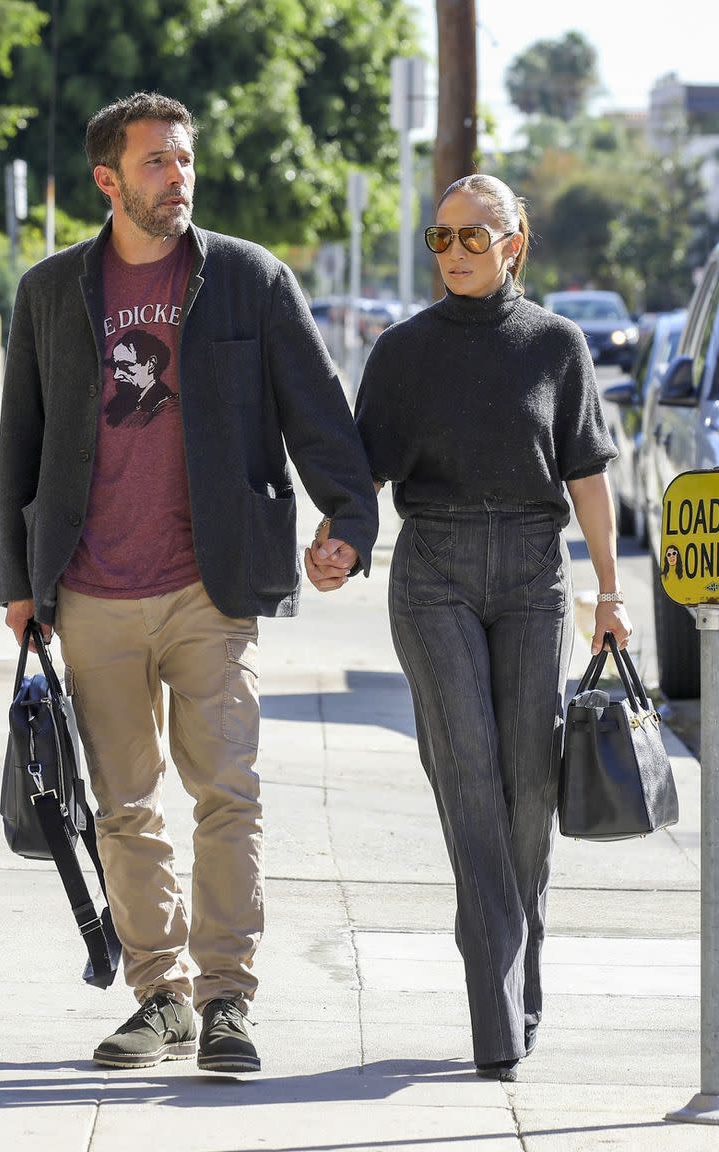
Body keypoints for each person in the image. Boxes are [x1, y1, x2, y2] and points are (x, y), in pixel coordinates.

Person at [0, 92, 377, 1073]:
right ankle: (157, 993)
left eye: (183, 160)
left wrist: (350, 520)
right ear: (107, 179)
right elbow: (21, 445)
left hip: (213, 585)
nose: (177, 176)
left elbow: (318, 413)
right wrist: (19, 580)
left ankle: (226, 1000)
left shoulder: (248, 279)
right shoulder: (50, 291)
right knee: (124, 805)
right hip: (89, 588)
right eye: (157, 161)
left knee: (227, 794)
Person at [313, 173, 632, 1081]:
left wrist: (610, 593)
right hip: (435, 573)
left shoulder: (557, 345)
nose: (455, 251)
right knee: (468, 775)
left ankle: (520, 967)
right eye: (441, 237)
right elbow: (361, 477)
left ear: (514, 242)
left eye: (473, 236)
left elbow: (588, 479)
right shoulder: (402, 351)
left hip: (535, 571)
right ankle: (496, 1013)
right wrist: (336, 543)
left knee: (529, 787)